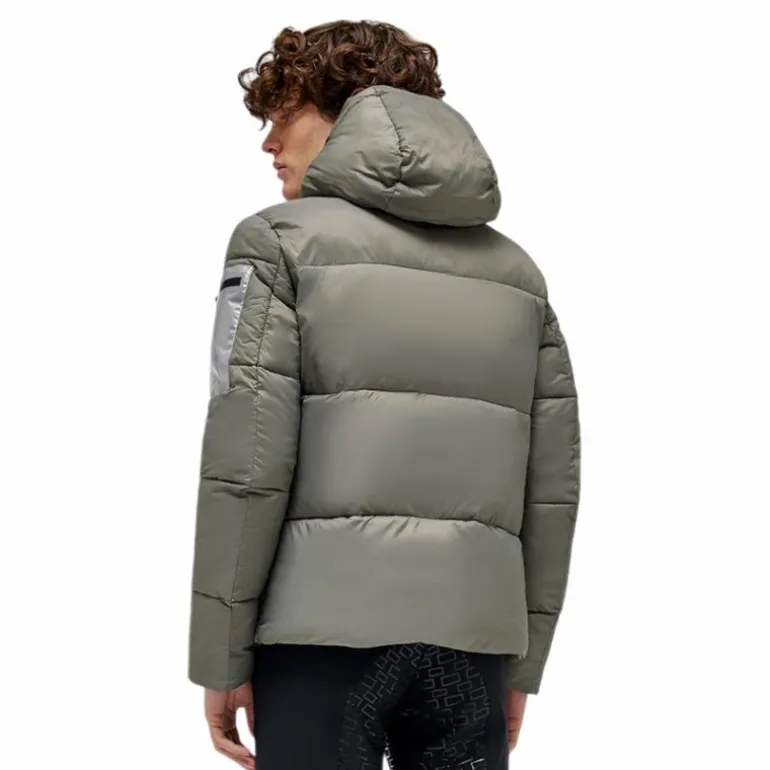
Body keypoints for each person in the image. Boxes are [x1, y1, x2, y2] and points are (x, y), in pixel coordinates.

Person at [188, 19, 581, 770]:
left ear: (350, 112)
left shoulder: (275, 243)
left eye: (285, 113)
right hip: (471, 648)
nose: (269, 142)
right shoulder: (519, 275)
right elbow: (552, 488)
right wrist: (521, 665)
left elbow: (246, 464)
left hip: (318, 646)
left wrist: (221, 655)